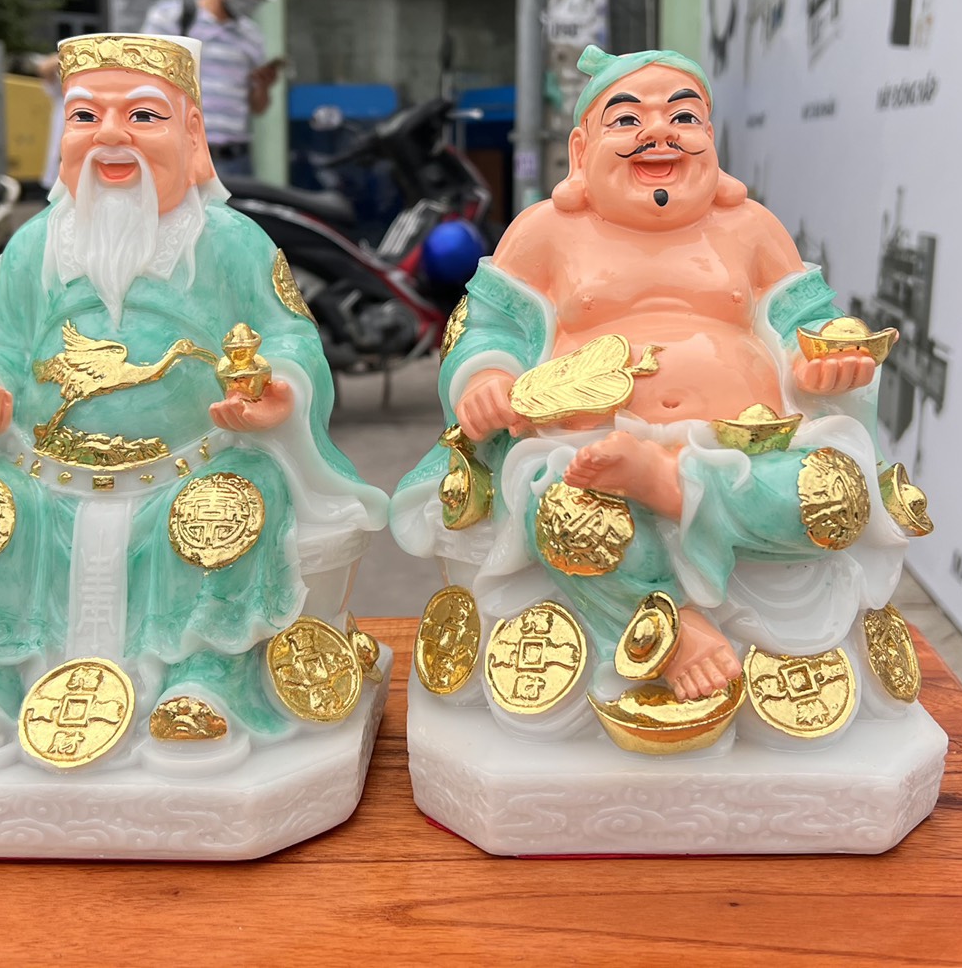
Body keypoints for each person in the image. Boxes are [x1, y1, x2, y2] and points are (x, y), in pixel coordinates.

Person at [0, 32, 386, 769]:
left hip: (196, 460)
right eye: (85, 116)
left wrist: (277, 388)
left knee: (229, 507)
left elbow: (289, 337)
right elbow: (1, 342)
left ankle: (207, 677)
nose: (111, 135)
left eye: (143, 116)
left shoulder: (233, 242)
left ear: (192, 133)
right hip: (44, 468)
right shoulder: (34, 245)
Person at [391, 45, 919, 740]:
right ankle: (671, 626)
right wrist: (487, 377)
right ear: (580, 151)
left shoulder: (751, 229)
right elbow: (488, 326)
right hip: (589, 444)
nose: (659, 133)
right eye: (627, 119)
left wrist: (827, 360)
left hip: (752, 445)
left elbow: (810, 322)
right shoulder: (545, 232)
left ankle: (675, 485)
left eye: (684, 117)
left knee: (836, 495)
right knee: (564, 505)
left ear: (713, 144)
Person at [141, 0, 284, 179]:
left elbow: (257, 107)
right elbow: (141, 86)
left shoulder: (252, 36)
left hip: (235, 162)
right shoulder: (170, 19)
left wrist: (263, 87)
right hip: (181, 157)